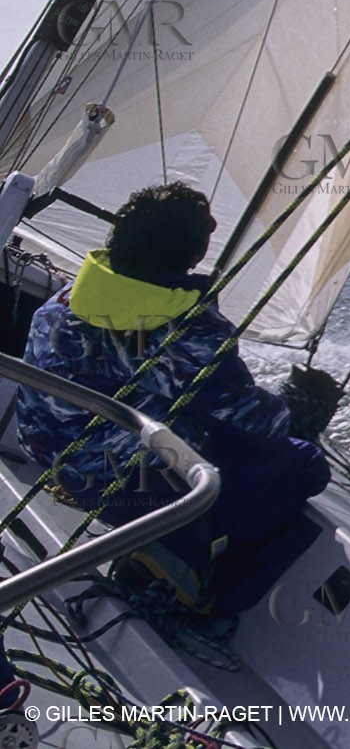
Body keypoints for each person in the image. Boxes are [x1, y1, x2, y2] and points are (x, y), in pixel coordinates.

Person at [16, 183, 331, 616]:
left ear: (119, 240)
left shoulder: (67, 298)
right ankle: (194, 579)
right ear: (193, 258)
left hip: (48, 459)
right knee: (306, 466)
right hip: (125, 490)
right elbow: (253, 421)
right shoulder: (188, 328)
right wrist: (300, 411)